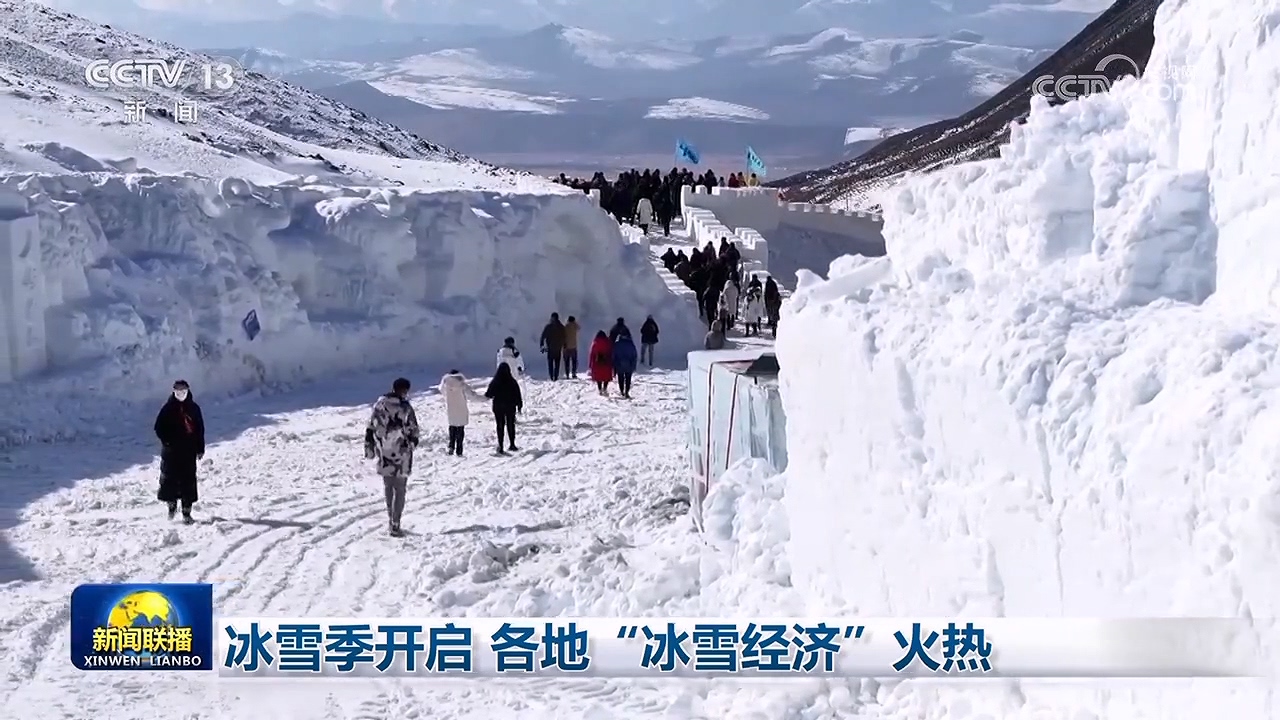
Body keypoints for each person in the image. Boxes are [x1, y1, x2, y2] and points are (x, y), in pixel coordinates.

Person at [364, 377, 420, 536]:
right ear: (405, 390)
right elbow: (413, 430)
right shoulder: (405, 407)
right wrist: (412, 444)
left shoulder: (379, 405)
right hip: (402, 453)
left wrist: (371, 446)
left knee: (388, 487)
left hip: (384, 452)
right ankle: (396, 522)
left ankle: (391, 520)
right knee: (400, 488)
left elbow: (370, 427)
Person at [155, 379, 205, 523]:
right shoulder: (168, 408)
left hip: (188, 450)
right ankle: (171, 507)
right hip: (171, 452)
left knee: (187, 480)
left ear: (188, 390)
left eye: (183, 390)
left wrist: (200, 448)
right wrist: (167, 441)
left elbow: (200, 429)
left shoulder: (194, 408)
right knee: (169, 479)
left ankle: (186, 512)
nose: (181, 393)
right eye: (178, 390)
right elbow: (158, 427)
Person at [438, 369, 482, 456]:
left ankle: (451, 446)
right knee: (460, 429)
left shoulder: (445, 385)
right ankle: (459, 449)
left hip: (451, 409)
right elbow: (472, 396)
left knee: (452, 427)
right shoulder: (462, 385)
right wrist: (484, 398)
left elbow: (441, 390)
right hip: (461, 409)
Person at [485, 363, 523, 454]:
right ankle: (512, 444)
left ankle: (501, 445)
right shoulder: (512, 381)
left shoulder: (495, 381)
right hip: (510, 406)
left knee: (500, 426)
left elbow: (489, 394)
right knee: (511, 425)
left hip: (498, 407)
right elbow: (518, 394)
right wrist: (519, 406)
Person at [539, 312, 566, 380]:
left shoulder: (548, 327)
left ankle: (551, 376)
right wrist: (564, 345)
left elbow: (543, 336)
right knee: (557, 363)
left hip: (551, 348)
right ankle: (555, 376)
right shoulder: (561, 327)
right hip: (558, 348)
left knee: (550, 363)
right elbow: (564, 337)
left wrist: (541, 345)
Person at [611, 332, 638, 398]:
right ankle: (627, 391)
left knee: (621, 378)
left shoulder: (617, 345)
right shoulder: (631, 345)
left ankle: (622, 391)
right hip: (629, 365)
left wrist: (614, 364)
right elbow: (634, 356)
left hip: (619, 364)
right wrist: (634, 365)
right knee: (628, 379)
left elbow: (614, 355)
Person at [588, 330, 614, 395]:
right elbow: (611, 352)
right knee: (606, 377)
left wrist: (590, 364)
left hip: (597, 364)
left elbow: (592, 354)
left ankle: (600, 389)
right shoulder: (608, 342)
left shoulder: (595, 343)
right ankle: (605, 388)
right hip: (606, 363)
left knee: (598, 378)